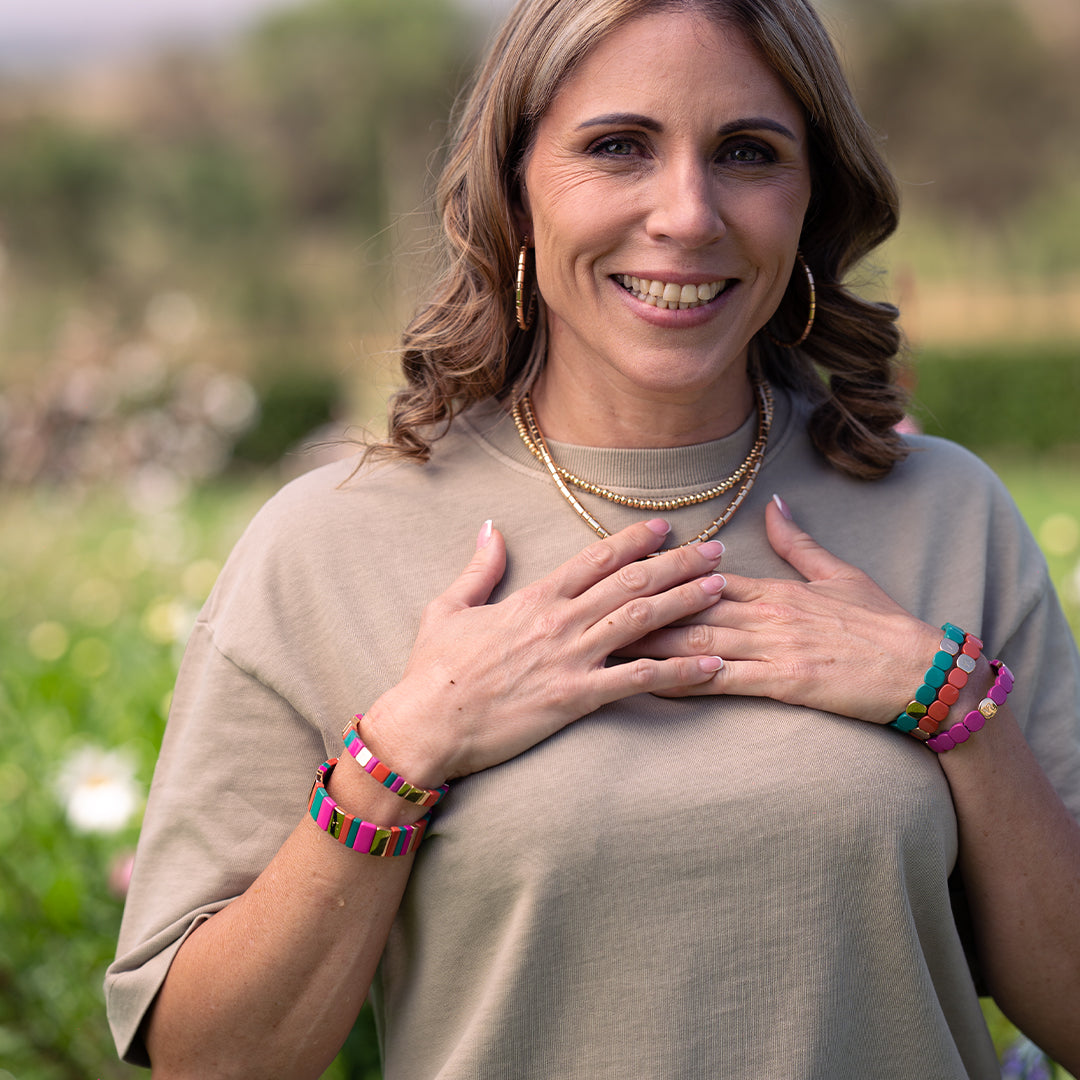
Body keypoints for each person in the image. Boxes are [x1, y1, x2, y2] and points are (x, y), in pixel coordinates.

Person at [105, 0, 1080, 1076]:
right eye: (618, 147)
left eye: (749, 152)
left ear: (814, 196)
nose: (688, 214)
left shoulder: (948, 514)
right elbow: (209, 1059)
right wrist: (402, 756)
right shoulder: (326, 546)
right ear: (514, 183)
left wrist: (954, 707)